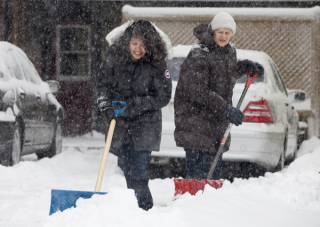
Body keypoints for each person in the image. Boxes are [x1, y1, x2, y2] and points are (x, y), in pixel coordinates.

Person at [174, 12, 264, 180]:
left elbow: (222, 75)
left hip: (214, 124)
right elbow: (197, 90)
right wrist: (225, 109)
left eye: (227, 32)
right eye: (220, 31)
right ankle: (192, 205)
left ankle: (210, 205)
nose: (223, 36)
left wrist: (245, 66)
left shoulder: (228, 52)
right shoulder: (199, 53)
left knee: (212, 176)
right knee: (198, 176)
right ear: (213, 31)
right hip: (197, 123)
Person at [96, 20, 172, 211]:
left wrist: (135, 104)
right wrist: (106, 107)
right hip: (120, 124)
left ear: (151, 45)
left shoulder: (157, 63)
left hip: (146, 124)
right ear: (127, 41)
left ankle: (144, 210)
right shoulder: (114, 55)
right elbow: (103, 84)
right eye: (135, 43)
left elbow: (163, 97)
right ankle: (134, 212)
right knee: (128, 171)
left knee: (140, 172)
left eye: (144, 44)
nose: (138, 48)